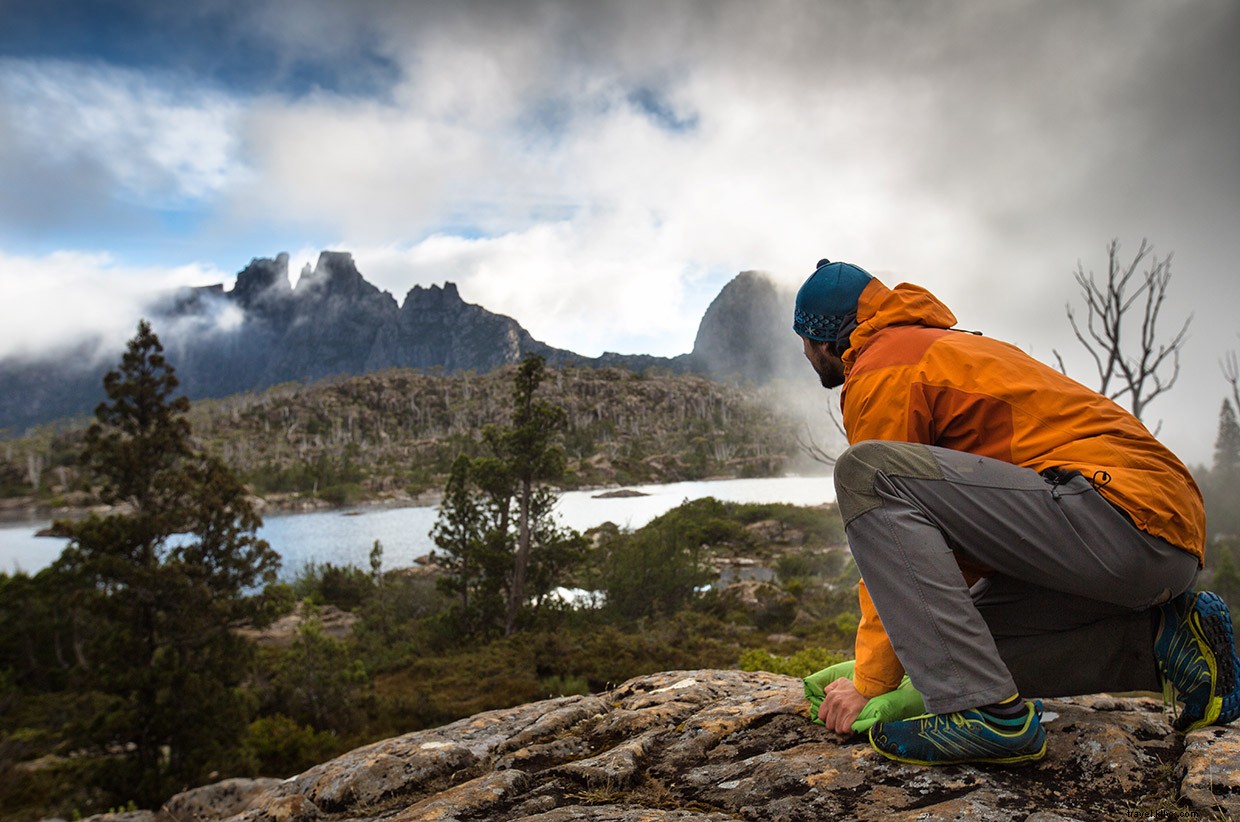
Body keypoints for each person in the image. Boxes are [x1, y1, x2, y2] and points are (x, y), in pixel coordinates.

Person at [794, 258, 1240, 766]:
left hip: (1115, 514)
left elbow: (887, 509)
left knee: (864, 471)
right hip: (1159, 542)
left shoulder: (884, 369)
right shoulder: (946, 346)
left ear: (825, 342)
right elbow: (945, 534)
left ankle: (984, 713)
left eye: (805, 345)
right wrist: (906, 657)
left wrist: (870, 682)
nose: (806, 357)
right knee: (954, 651)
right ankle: (1167, 640)